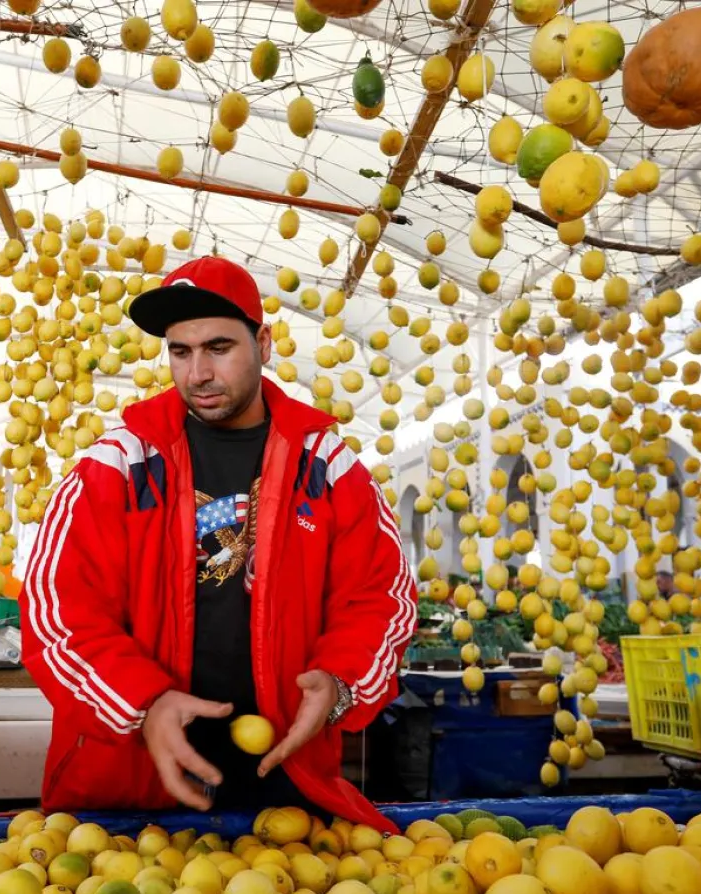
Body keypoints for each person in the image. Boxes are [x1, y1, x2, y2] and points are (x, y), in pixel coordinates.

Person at [21, 257, 415, 828]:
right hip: (131, 793)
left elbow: (382, 596)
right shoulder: (120, 463)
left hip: (284, 790)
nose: (197, 373)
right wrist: (144, 703)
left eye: (219, 348)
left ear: (264, 342)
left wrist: (339, 682)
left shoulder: (327, 467)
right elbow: (55, 608)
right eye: (180, 352)